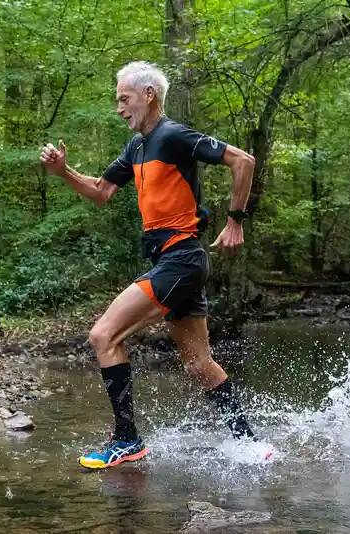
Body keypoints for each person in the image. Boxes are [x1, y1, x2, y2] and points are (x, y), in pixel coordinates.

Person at [39, 61, 263, 469]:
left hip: (182, 259)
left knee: (103, 335)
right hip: (175, 263)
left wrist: (235, 222)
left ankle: (127, 441)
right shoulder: (136, 148)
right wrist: (62, 171)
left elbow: (243, 160)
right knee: (198, 365)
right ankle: (249, 442)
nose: (119, 108)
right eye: (117, 100)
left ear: (149, 95)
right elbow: (102, 192)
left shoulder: (174, 135)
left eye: (124, 99)